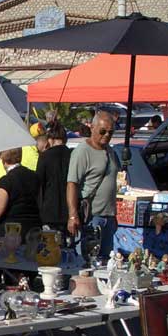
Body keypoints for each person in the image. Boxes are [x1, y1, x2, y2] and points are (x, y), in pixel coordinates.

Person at [67, 110, 121, 261]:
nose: (106, 136)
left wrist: (113, 214)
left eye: (110, 132)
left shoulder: (110, 151)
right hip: (90, 217)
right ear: (92, 128)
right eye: (102, 131)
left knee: (104, 263)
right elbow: (72, 183)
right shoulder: (82, 151)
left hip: (108, 217)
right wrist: (72, 215)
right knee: (86, 262)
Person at [0, 148, 42, 243]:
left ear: (3, 159)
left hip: (11, 233)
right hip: (34, 231)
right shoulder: (34, 176)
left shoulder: (7, 180)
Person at [36, 122, 71, 232]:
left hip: (49, 211)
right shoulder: (72, 155)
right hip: (69, 211)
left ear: (50, 139)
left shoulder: (45, 157)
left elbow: (38, 183)